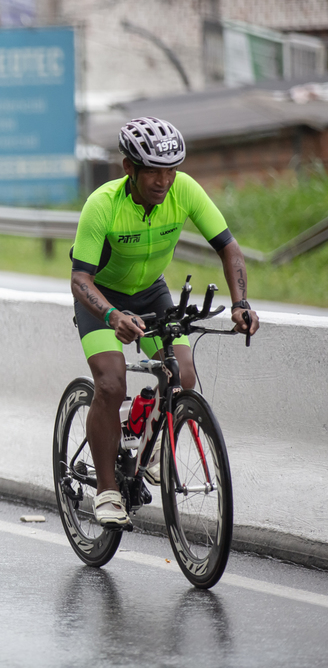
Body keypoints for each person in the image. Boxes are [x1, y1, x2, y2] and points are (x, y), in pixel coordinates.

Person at [70, 117, 260, 529]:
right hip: (101, 298)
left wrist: (241, 303)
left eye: (170, 169)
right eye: (153, 171)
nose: (164, 180)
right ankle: (106, 492)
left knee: (183, 376)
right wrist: (110, 315)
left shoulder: (185, 190)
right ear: (129, 169)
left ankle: (148, 445)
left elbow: (230, 249)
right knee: (110, 382)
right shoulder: (102, 204)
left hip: (150, 293)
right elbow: (79, 278)